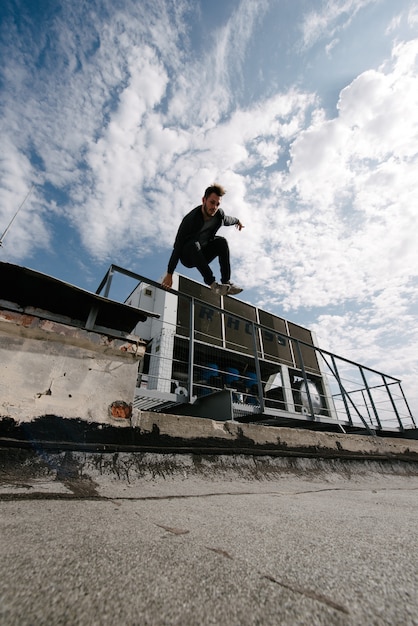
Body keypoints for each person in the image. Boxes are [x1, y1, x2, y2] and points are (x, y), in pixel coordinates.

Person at [161, 184, 244, 296]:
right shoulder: (190, 219)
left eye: (217, 204)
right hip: (188, 256)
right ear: (204, 200)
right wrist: (170, 273)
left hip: (203, 254)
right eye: (211, 202)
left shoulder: (219, 215)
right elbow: (178, 246)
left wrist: (237, 221)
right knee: (193, 244)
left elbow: (228, 219)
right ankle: (213, 284)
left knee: (222, 242)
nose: (214, 207)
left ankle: (226, 283)